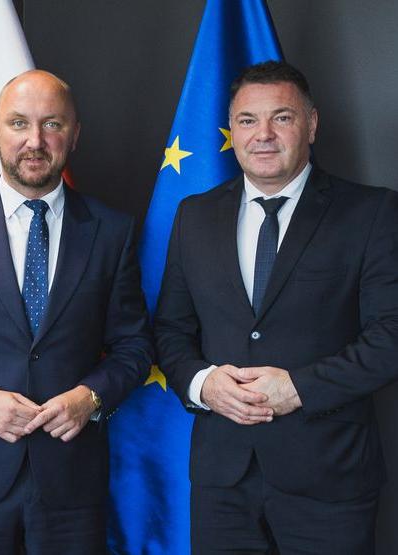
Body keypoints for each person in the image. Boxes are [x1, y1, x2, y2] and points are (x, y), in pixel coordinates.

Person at [0, 69, 153, 554]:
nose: (35, 140)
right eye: (19, 123)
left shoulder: (112, 231)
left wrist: (90, 397)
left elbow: (134, 347)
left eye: (52, 124)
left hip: (72, 482)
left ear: (74, 135)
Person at [155, 60, 398, 553]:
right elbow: (170, 331)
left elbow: (390, 336)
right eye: (247, 120)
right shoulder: (194, 215)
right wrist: (204, 385)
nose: (263, 134)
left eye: (281, 118)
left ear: (311, 124)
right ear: (232, 129)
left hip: (329, 480)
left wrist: (298, 388)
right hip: (222, 482)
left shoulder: (372, 213)